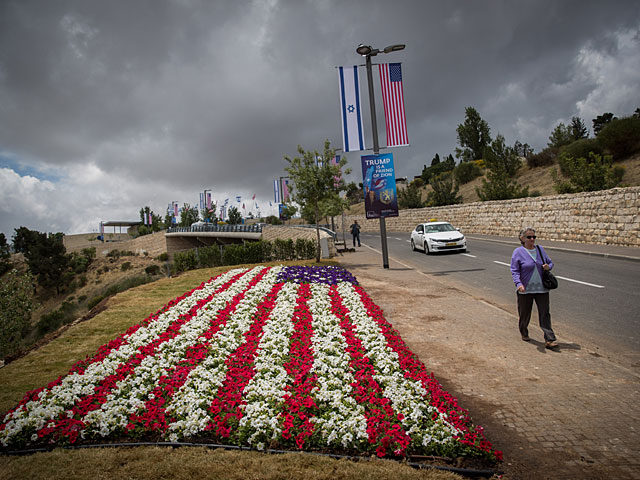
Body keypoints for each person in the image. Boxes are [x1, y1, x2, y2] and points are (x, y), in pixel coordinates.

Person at [510, 227, 558, 349]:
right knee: (524, 314)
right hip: (525, 289)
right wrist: (519, 284)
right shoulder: (518, 252)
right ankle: (524, 332)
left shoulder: (540, 249)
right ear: (522, 238)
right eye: (529, 237)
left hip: (542, 288)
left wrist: (548, 267)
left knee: (545, 314)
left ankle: (550, 339)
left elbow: (550, 263)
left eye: (534, 237)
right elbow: (515, 271)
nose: (532, 239)